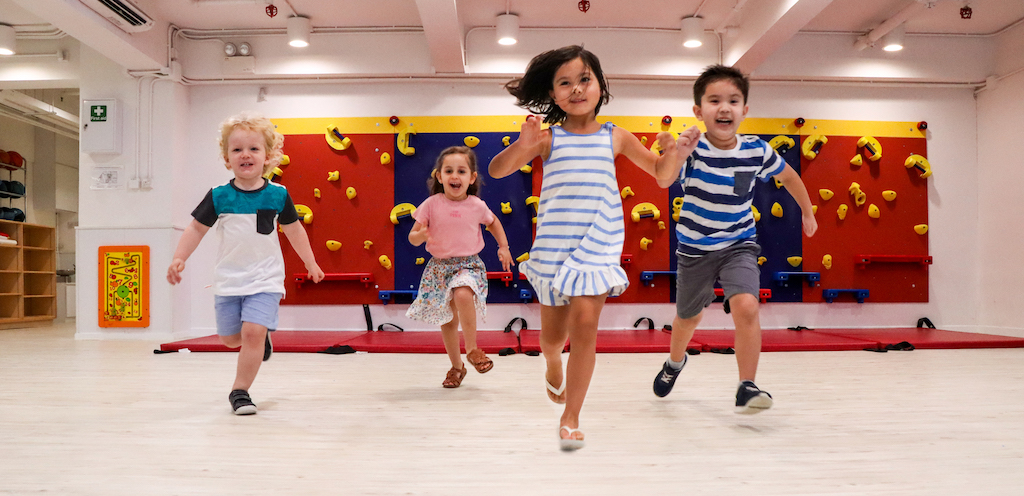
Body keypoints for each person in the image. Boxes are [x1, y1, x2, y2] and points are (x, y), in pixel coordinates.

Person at [489, 45, 700, 451]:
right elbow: (498, 170)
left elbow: (661, 176)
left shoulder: (615, 136)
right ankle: (552, 360)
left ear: (601, 85)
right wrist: (523, 144)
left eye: (584, 79)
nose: (576, 89)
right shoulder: (548, 138)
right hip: (554, 244)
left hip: (598, 242)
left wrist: (674, 153)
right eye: (564, 83)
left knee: (585, 325)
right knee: (553, 337)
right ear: (552, 95)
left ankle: (571, 417)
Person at [652, 64, 817, 414]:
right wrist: (676, 152)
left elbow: (789, 177)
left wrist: (807, 211)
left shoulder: (756, 151)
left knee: (746, 305)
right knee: (688, 318)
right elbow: (664, 181)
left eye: (733, 100)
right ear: (699, 111)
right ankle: (675, 362)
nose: (724, 107)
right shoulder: (693, 148)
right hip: (694, 249)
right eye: (714, 101)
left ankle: (746, 385)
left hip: (738, 243)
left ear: (745, 110)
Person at [167, 111, 325, 415]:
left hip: (265, 279)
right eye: (237, 149)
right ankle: (260, 341)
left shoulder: (278, 194)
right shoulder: (219, 196)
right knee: (229, 339)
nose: (245, 155)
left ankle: (240, 392)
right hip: (229, 280)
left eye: (254, 148)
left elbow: (294, 230)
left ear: (268, 156)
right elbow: (196, 229)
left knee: (252, 332)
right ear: (227, 158)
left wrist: (311, 262)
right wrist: (178, 258)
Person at [406, 146, 513, 388]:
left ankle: (473, 349)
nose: (455, 176)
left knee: (464, 292)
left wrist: (503, 246)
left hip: (468, 264)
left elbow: (494, 223)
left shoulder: (476, 205)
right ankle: (456, 367)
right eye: (449, 171)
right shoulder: (431, 204)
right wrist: (419, 236)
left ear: (472, 178)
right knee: (448, 321)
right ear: (439, 176)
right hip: (439, 268)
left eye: (461, 171)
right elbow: (413, 237)